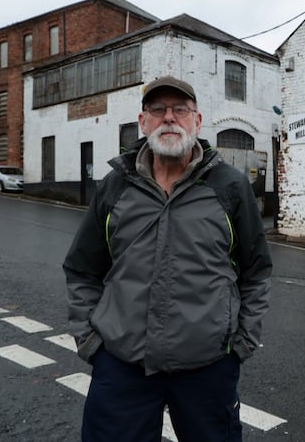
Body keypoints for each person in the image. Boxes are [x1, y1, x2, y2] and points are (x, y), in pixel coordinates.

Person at [63, 75, 272, 442]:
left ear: (197, 121)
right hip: (122, 367)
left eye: (180, 110)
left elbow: (256, 273)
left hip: (207, 369)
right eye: (157, 110)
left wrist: (238, 347)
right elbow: (82, 270)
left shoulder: (229, 187)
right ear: (143, 123)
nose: (169, 118)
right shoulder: (115, 186)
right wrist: (91, 343)